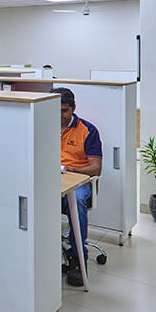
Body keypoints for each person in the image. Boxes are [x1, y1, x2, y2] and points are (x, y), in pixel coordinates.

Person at [53, 87, 102, 287]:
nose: (60, 116)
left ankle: (77, 258)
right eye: (55, 110)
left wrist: (69, 169)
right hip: (49, 178)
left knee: (78, 201)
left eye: (64, 111)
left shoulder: (87, 130)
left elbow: (96, 168)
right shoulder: (41, 125)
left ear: (73, 108)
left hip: (79, 180)